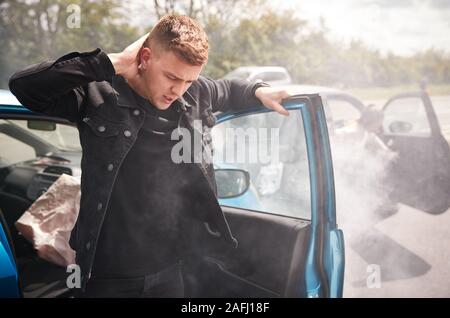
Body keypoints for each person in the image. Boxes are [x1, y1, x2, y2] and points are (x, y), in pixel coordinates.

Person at [8, 14, 290, 297]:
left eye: (188, 81)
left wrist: (260, 90)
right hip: (107, 274)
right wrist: (113, 62)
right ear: (144, 57)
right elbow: (25, 87)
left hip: (171, 268)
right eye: (171, 77)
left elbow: (229, 89)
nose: (178, 90)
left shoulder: (195, 94)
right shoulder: (101, 95)